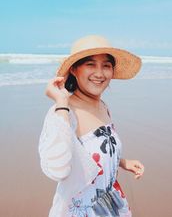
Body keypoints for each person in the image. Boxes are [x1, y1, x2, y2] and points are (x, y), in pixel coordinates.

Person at [38, 35, 145, 217]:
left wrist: (121, 162)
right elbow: (58, 169)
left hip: (111, 203)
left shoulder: (103, 106)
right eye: (90, 64)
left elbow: (90, 155)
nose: (99, 73)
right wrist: (61, 102)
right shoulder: (63, 112)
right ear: (74, 69)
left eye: (106, 65)